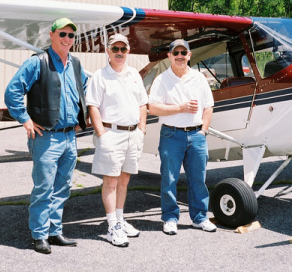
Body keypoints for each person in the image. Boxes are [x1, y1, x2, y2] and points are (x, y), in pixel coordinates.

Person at [4, 18, 88, 254]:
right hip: (47, 138)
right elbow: (13, 91)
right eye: (62, 34)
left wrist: (82, 118)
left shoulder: (76, 64)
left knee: (63, 186)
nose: (67, 39)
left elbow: (85, 90)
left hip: (70, 137)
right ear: (51, 35)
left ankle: (54, 231)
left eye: (71, 35)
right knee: (44, 188)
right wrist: (25, 119)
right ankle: (39, 235)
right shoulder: (37, 62)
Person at [148, 39, 216, 235]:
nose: (179, 56)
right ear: (169, 56)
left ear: (189, 55)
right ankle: (170, 218)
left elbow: (208, 106)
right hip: (171, 134)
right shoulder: (162, 79)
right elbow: (152, 107)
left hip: (196, 135)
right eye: (175, 52)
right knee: (169, 179)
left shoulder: (199, 78)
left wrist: (203, 130)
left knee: (198, 179)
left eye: (183, 52)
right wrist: (181, 108)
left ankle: (200, 218)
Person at [86, 34, 148, 247]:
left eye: (123, 48)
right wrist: (102, 134)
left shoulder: (133, 74)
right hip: (111, 134)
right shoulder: (99, 76)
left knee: (124, 180)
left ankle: (120, 220)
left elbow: (142, 103)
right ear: (108, 51)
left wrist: (142, 129)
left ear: (128, 51)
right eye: (115, 49)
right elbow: (92, 105)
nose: (119, 52)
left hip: (133, 134)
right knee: (110, 181)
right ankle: (112, 225)